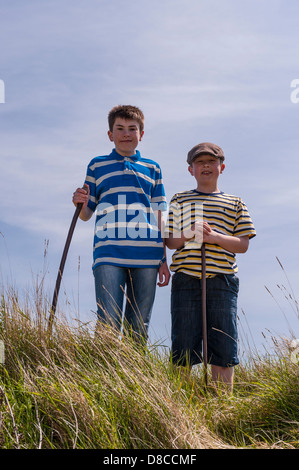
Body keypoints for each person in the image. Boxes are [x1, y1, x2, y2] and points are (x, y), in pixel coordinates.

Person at [72, 105, 170, 341]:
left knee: (139, 323)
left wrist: (163, 259)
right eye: (120, 128)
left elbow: (160, 215)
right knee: (108, 320)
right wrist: (79, 202)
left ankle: (133, 376)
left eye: (132, 129)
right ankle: (104, 375)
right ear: (110, 134)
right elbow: (86, 214)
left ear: (141, 134)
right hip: (109, 252)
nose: (126, 133)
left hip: (147, 255)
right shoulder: (97, 165)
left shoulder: (152, 168)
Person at [165, 142, 256, 391]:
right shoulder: (180, 199)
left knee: (223, 343)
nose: (206, 166)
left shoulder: (235, 202)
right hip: (186, 278)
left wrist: (214, 237)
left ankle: (221, 406)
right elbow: (171, 241)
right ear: (190, 169)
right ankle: (179, 406)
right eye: (199, 162)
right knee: (183, 343)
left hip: (222, 279)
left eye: (211, 161)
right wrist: (190, 233)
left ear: (221, 167)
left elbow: (243, 244)